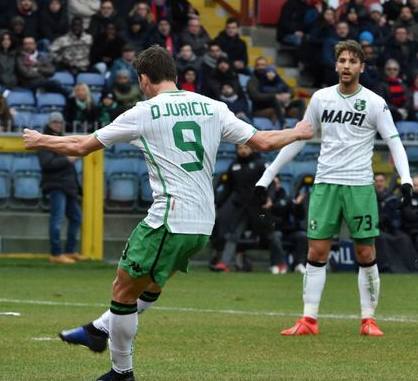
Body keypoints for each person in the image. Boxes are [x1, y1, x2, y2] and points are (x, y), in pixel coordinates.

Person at [23, 45, 313, 381]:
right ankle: (97, 330)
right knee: (151, 285)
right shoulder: (212, 107)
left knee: (122, 290)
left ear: (144, 79)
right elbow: (262, 141)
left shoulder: (143, 112)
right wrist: (298, 131)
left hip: (169, 219)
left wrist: (41, 139)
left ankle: (121, 372)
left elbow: (81, 146)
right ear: (174, 75)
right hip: (203, 224)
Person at [255, 40, 415, 337]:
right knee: (316, 250)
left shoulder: (375, 102)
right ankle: (309, 319)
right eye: (342, 60)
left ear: (362, 67)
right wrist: (266, 178)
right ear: (336, 64)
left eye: (352, 61)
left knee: (366, 252)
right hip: (326, 183)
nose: (346, 66)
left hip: (359, 185)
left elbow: (394, 141)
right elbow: (299, 138)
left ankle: (369, 319)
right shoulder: (320, 98)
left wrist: (405, 178)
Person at [210, 144, 287, 274]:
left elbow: (272, 183)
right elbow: (227, 189)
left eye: (245, 148)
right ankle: (224, 263)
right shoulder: (233, 166)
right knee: (232, 235)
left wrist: (270, 198)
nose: (243, 151)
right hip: (241, 209)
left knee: (272, 235)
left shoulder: (260, 164)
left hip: (260, 208)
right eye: (240, 148)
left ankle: (280, 263)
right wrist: (216, 203)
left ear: (251, 148)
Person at [37, 112, 83, 264]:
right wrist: (68, 159)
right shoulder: (44, 141)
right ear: (50, 123)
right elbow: (47, 164)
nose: (58, 124)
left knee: (76, 218)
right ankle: (56, 253)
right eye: (55, 122)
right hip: (56, 185)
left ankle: (70, 251)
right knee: (57, 220)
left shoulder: (62, 139)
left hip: (68, 185)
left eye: (60, 122)